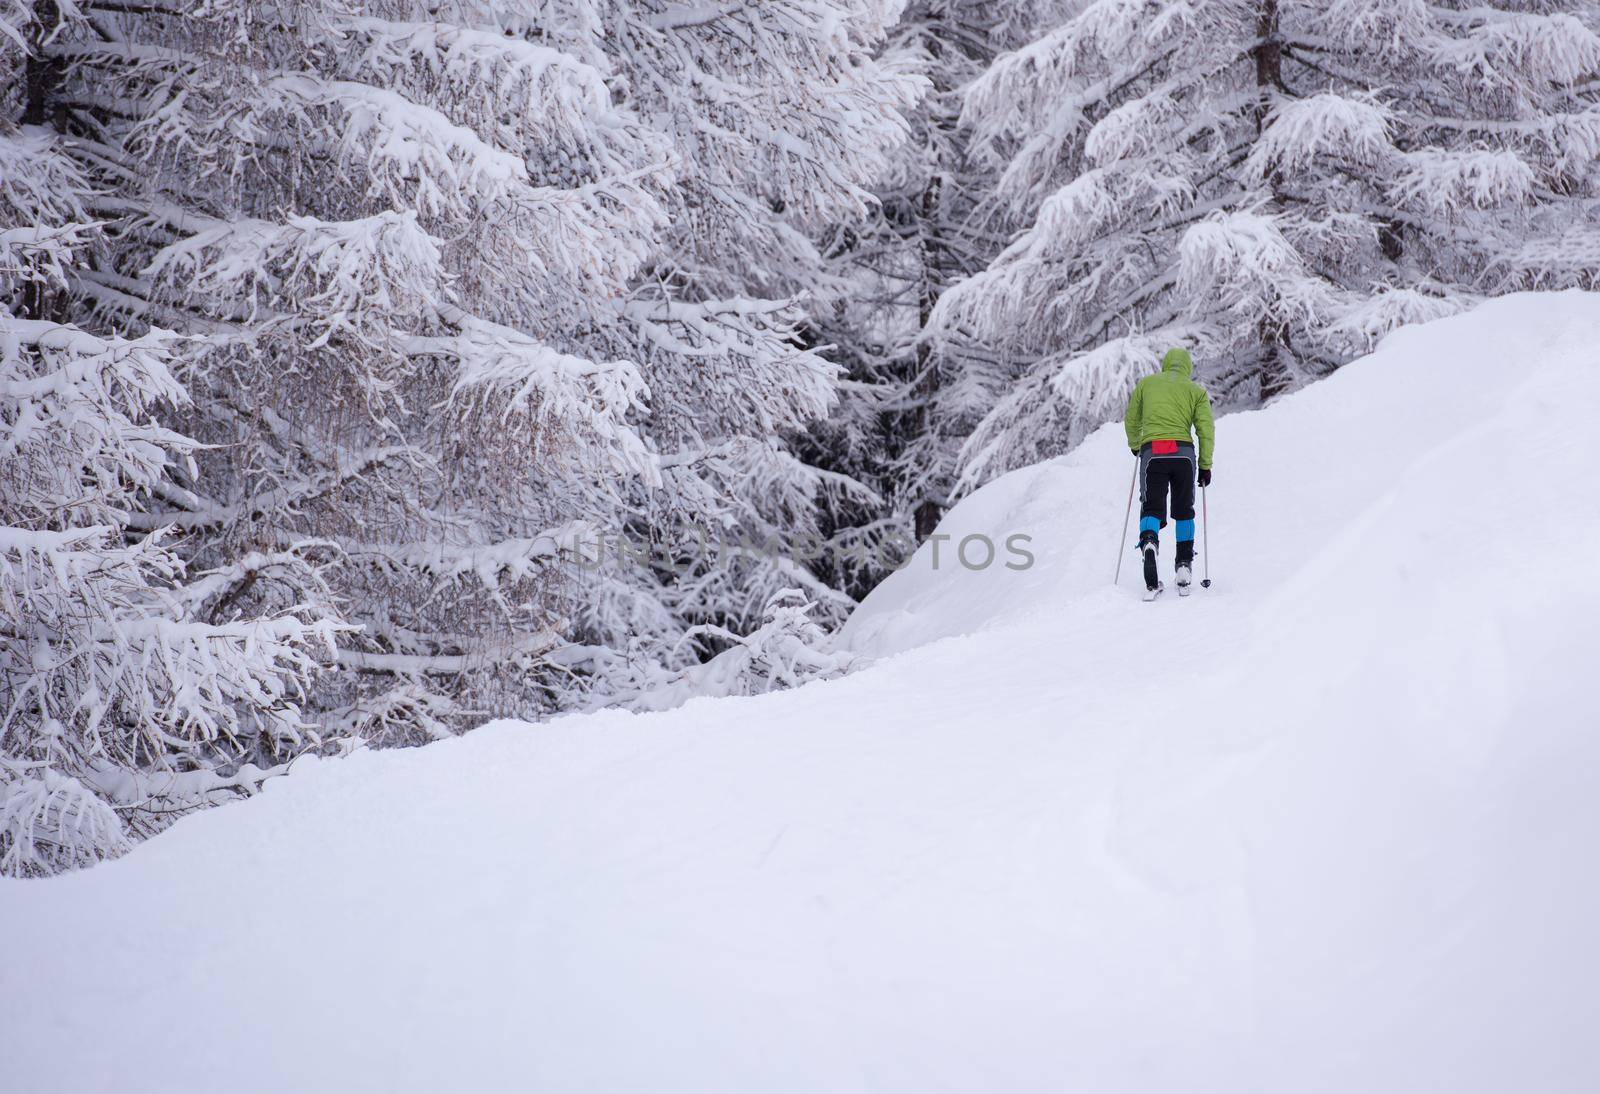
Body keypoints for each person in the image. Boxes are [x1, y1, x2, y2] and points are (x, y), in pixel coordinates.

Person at [1123, 347, 1214, 599]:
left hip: (1154, 453)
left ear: (1165, 364)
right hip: (1184, 455)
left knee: (1151, 506)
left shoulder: (1147, 384)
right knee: (1184, 509)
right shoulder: (1195, 391)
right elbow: (1206, 429)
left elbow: (1131, 418)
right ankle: (1184, 564)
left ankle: (1149, 541)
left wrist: (1135, 445)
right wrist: (1205, 464)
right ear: (1187, 367)